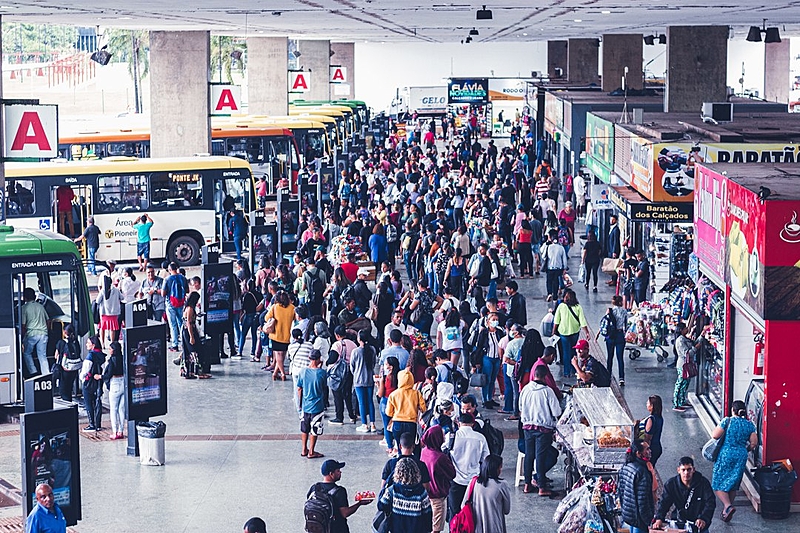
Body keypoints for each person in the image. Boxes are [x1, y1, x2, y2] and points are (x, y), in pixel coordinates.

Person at [711, 399, 757, 523]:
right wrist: (745, 449)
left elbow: (715, 435)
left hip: (726, 453)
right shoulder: (749, 425)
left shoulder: (728, 421)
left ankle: (727, 506)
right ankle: (727, 513)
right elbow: (754, 443)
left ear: (733, 410)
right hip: (741, 455)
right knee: (733, 483)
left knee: (717, 483)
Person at [520, 364, 562, 496]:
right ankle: (541, 487)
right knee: (540, 456)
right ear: (544, 377)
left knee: (529, 455)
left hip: (527, 427)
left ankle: (527, 484)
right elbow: (556, 411)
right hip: (543, 429)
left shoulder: (526, 389)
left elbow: (520, 407)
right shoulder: (547, 391)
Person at [654, 457, 716, 533]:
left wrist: (703, 518)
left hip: (698, 523)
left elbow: (710, 503)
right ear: (678, 470)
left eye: (689, 469)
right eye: (683, 470)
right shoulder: (671, 484)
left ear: (693, 469)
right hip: (679, 522)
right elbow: (664, 502)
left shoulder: (703, 483)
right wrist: (659, 518)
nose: (686, 473)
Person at [308, 460, 370, 533]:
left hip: (319, 528)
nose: (340, 472)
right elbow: (345, 513)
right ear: (331, 474)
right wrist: (359, 503)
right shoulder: (339, 491)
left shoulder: (314, 488)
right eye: (338, 471)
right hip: (337, 529)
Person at [448, 413, 489, 519]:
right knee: (473, 512)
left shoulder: (451, 436)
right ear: (473, 423)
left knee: (455, 512)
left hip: (455, 479)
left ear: (459, 423)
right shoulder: (481, 438)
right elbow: (486, 459)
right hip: (474, 481)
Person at [378, 457, 433, 533]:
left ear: (397, 472)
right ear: (416, 472)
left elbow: (381, 506)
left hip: (396, 529)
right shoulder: (421, 492)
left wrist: (383, 490)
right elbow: (427, 514)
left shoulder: (392, 490)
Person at [420, 426, 456, 533]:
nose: (444, 437)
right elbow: (452, 474)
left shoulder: (424, 451)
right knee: (436, 529)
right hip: (438, 496)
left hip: (426, 495)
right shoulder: (440, 457)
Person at [617, 440, 655, 533]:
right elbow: (643, 501)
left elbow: (620, 490)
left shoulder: (626, 465)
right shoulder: (642, 473)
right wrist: (648, 520)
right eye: (647, 449)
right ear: (638, 453)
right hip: (639, 518)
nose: (650, 451)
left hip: (629, 513)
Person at [469, 454, 511, 533]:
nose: (501, 470)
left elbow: (463, 504)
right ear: (496, 469)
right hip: (495, 527)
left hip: (476, 528)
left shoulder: (474, 482)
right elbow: (506, 510)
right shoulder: (502, 485)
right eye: (500, 467)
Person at [297, 349, 328, 459]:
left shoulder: (303, 372)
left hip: (306, 405)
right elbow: (324, 387)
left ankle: (304, 449)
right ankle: (311, 451)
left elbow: (299, 388)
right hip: (317, 406)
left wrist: (300, 403)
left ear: (309, 358)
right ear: (319, 359)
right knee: (314, 429)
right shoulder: (322, 373)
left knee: (304, 428)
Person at [552, 289, 589, 378]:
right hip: (575, 332)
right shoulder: (578, 307)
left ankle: (566, 372)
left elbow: (556, 321)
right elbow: (582, 321)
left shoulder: (561, 306)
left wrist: (553, 331)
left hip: (563, 333)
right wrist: (586, 332)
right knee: (573, 351)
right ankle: (574, 370)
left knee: (566, 352)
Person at [385, 369, 426, 450]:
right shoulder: (416, 394)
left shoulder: (393, 394)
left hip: (397, 424)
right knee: (411, 447)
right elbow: (423, 409)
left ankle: (401, 460)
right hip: (411, 424)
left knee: (400, 448)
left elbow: (388, 413)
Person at [473, 312, 505, 409]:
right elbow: (479, 347)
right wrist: (477, 362)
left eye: (496, 320)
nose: (495, 322)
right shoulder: (484, 333)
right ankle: (485, 400)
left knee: (492, 380)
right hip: (487, 358)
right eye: (493, 320)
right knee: (486, 379)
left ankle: (490, 398)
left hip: (497, 359)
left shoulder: (499, 332)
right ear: (488, 321)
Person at [350, 330, 377, 433]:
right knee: (370, 401)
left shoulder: (356, 351)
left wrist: (356, 373)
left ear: (359, 339)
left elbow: (352, 367)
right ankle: (373, 424)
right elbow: (374, 363)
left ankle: (364, 424)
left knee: (361, 402)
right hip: (370, 379)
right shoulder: (372, 350)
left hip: (359, 380)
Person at [264, 290, 295, 381]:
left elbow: (266, 318)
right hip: (287, 336)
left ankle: (282, 373)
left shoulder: (274, 307)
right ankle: (275, 373)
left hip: (276, 335)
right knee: (282, 356)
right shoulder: (292, 308)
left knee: (278, 356)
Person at [21, 287, 50, 378]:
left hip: (31, 335)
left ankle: (33, 372)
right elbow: (48, 320)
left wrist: (22, 338)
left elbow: (23, 325)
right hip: (43, 334)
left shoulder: (24, 308)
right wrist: (46, 330)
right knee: (42, 356)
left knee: (27, 353)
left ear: (24, 297)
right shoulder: (40, 306)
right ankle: (46, 374)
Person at [161, 262, 189, 352]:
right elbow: (187, 290)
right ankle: (184, 342)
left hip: (170, 304)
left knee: (173, 324)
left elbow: (163, 293)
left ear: (169, 270)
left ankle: (175, 345)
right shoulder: (183, 278)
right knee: (181, 323)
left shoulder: (167, 279)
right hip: (181, 303)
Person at [602, 295, 629, 386]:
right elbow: (626, 324)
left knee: (610, 356)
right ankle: (621, 378)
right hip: (620, 335)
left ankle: (608, 375)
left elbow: (605, 323)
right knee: (620, 358)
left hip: (610, 336)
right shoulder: (624, 311)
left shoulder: (610, 311)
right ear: (620, 302)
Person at [80, 336, 105, 432]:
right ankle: (98, 424)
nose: (86, 344)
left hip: (89, 382)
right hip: (98, 381)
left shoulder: (90, 356)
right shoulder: (102, 355)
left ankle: (91, 424)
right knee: (97, 402)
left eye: (88, 343)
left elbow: (85, 371)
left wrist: (82, 379)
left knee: (88, 403)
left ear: (93, 345)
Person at [102, 341, 126, 440]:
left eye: (110, 348)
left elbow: (109, 374)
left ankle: (114, 432)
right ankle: (120, 431)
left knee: (114, 409)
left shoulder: (112, 360)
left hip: (115, 383)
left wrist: (101, 376)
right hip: (123, 382)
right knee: (121, 409)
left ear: (114, 350)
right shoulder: (123, 358)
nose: (109, 350)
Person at [672, 322, 697, 412]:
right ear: (681, 330)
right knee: (680, 383)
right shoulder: (680, 340)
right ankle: (676, 404)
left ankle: (682, 401)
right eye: (685, 328)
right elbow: (687, 353)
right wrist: (695, 348)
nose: (687, 329)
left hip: (687, 365)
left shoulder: (684, 338)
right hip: (683, 365)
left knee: (685, 384)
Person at [54, 324, 82, 403]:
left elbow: (56, 356)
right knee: (69, 388)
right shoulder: (76, 342)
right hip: (74, 368)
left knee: (63, 390)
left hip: (64, 369)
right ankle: (70, 403)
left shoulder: (61, 342)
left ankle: (67, 406)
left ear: (64, 332)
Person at [541, 229, 567, 302]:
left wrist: (546, 243)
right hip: (558, 268)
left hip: (549, 267)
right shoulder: (561, 248)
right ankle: (555, 296)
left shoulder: (548, 247)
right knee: (556, 281)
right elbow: (564, 259)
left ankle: (549, 293)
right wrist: (564, 268)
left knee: (549, 281)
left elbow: (543, 255)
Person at [95, 276, 122, 346]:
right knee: (112, 328)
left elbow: (97, 301)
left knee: (102, 328)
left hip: (104, 313)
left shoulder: (103, 291)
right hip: (114, 313)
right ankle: (112, 344)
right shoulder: (116, 290)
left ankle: (102, 343)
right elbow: (122, 297)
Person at [638, 395, 664, 466]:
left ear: (652, 406)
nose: (646, 404)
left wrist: (645, 451)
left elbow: (648, 437)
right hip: (657, 447)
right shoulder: (659, 418)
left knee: (647, 469)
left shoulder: (651, 419)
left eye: (648, 403)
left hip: (652, 448)